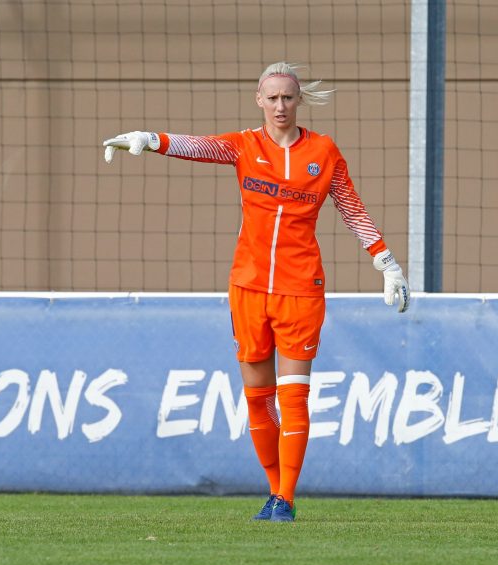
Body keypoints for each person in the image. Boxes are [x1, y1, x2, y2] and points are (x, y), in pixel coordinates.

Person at [102, 62, 409, 522]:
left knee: (293, 397)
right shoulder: (245, 145)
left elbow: (351, 207)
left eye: (288, 97)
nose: (281, 106)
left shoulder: (324, 151)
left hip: (301, 289)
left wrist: (385, 262)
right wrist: (151, 140)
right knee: (258, 398)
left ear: (299, 99)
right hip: (247, 287)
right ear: (258, 100)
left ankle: (285, 499)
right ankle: (273, 491)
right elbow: (201, 146)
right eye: (273, 98)